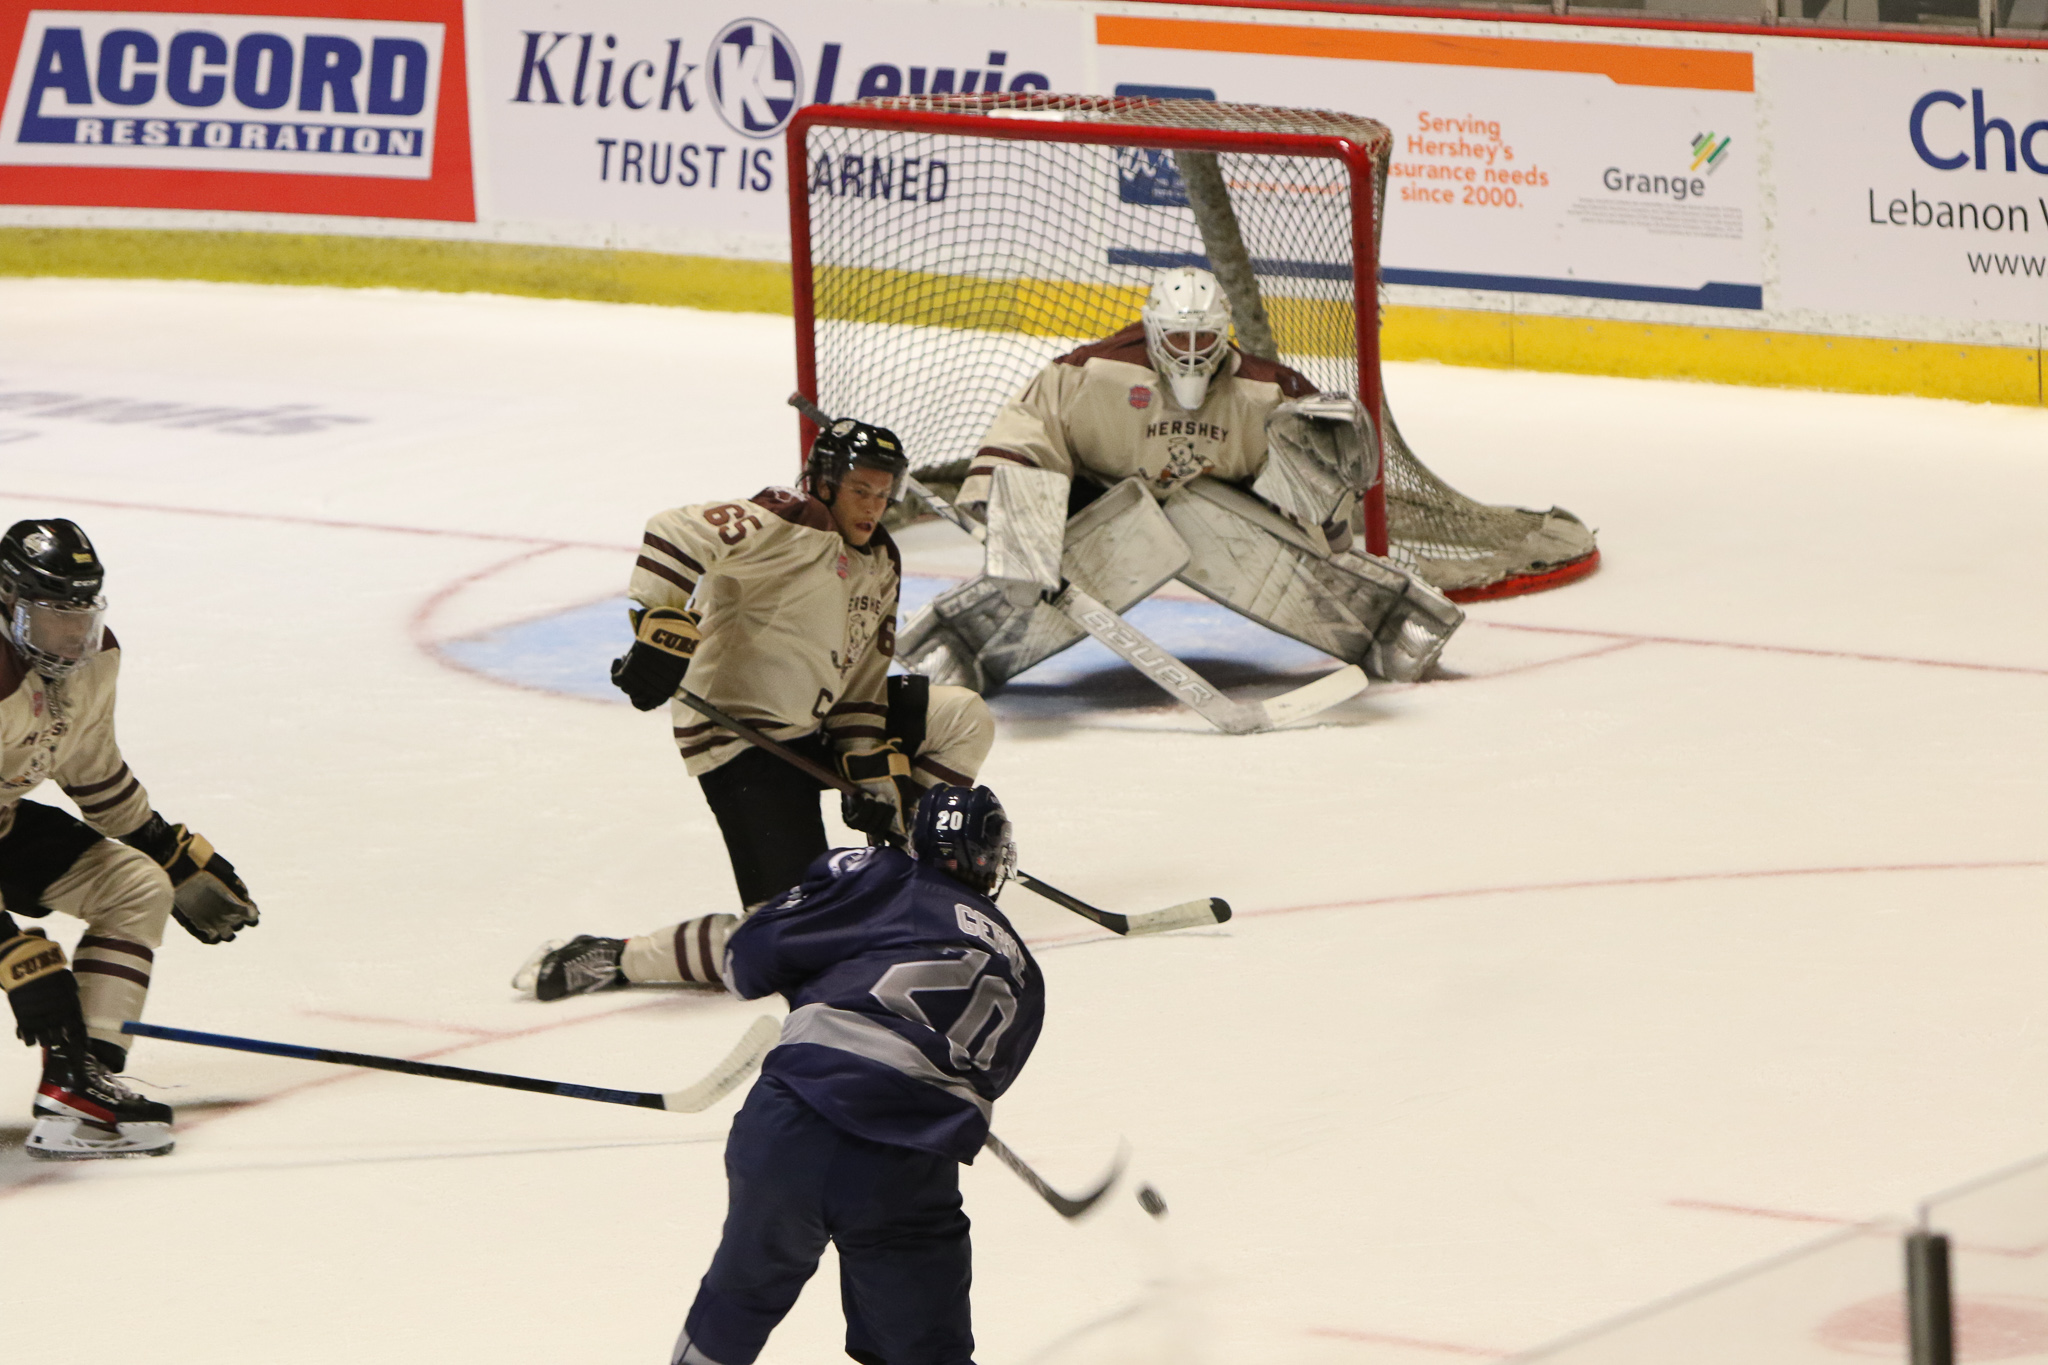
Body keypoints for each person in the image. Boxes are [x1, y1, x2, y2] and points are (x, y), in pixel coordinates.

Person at [514, 418, 996, 1000]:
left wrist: (874, 776)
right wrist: (658, 621)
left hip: (814, 725)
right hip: (742, 740)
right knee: (791, 943)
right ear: (823, 483)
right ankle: (616, 958)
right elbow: (674, 531)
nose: (873, 506)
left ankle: (916, 873)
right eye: (859, 490)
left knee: (963, 715)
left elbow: (862, 680)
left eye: (881, 492)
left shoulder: (881, 560)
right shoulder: (792, 519)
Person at [898, 266, 1465, 693]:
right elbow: (1030, 431)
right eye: (1177, 339)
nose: (1191, 353)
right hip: (1103, 500)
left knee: (1235, 510)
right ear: (1151, 329)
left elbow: (1322, 491)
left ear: (1224, 333)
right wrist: (1015, 527)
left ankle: (1385, 629)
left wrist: (1338, 558)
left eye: (1202, 339)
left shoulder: (1270, 393)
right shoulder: (1093, 374)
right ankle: (959, 647)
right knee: (1041, 556)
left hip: (1224, 508)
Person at [672, 784, 1041, 1365]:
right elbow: (976, 1080)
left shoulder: (886, 877)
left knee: (740, 1298)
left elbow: (745, 962)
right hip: (909, 1164)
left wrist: (824, 946)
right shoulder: (1026, 971)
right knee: (923, 1348)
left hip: (797, 1119)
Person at [0, 518, 260, 1159]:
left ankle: (79, 1084)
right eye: (52, 618)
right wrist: (10, 953)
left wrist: (161, 847)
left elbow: (88, 767)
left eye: (79, 618)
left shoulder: (93, 661)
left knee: (135, 885)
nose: (69, 641)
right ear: (7, 600)